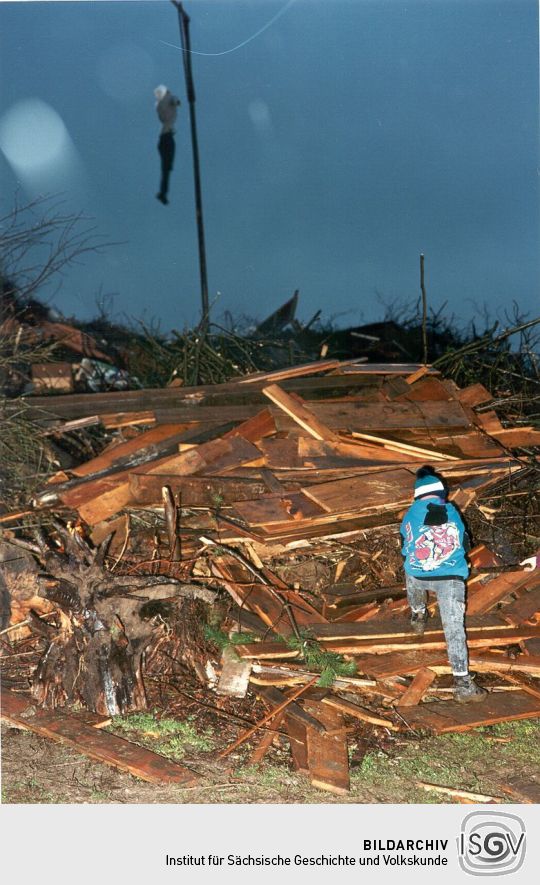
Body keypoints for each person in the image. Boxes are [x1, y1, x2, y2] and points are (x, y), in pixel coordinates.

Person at [400, 466, 487, 704]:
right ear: (442, 493)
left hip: (419, 575)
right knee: (454, 629)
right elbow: (465, 542)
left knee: (409, 568)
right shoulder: (453, 512)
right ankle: (462, 683)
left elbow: (405, 544)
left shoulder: (409, 515)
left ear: (416, 496)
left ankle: (418, 615)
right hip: (450, 578)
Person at [154, 84, 181, 205]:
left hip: (162, 139)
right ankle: (163, 193)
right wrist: (177, 102)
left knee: (165, 170)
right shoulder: (168, 98)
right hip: (167, 138)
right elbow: (175, 101)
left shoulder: (159, 104)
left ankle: (163, 193)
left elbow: (162, 116)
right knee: (166, 169)